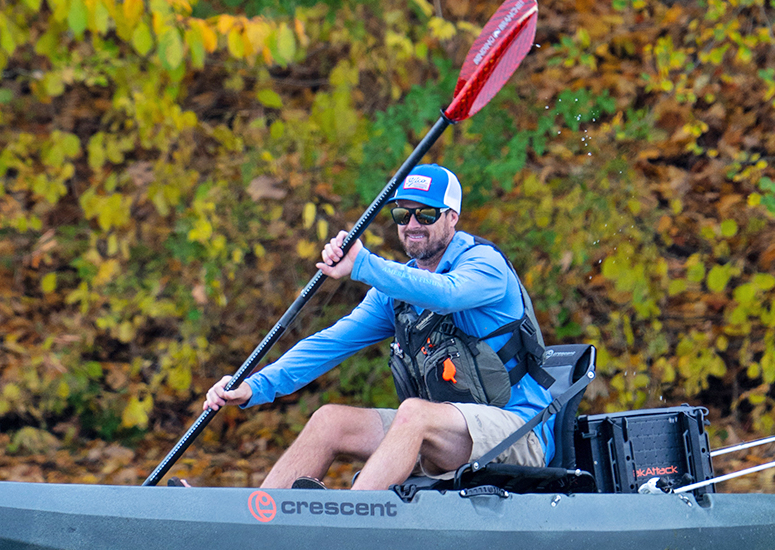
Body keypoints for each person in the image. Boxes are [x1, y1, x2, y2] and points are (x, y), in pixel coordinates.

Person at [203, 164, 553, 491]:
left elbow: (447, 295)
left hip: (518, 432)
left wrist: (364, 264)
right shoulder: (394, 292)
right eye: (403, 214)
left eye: (426, 214)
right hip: (441, 435)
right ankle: (260, 518)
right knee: (330, 421)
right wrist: (253, 386)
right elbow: (329, 344)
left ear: (452, 218)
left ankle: (350, 522)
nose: (412, 224)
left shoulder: (484, 264)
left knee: (413, 413)